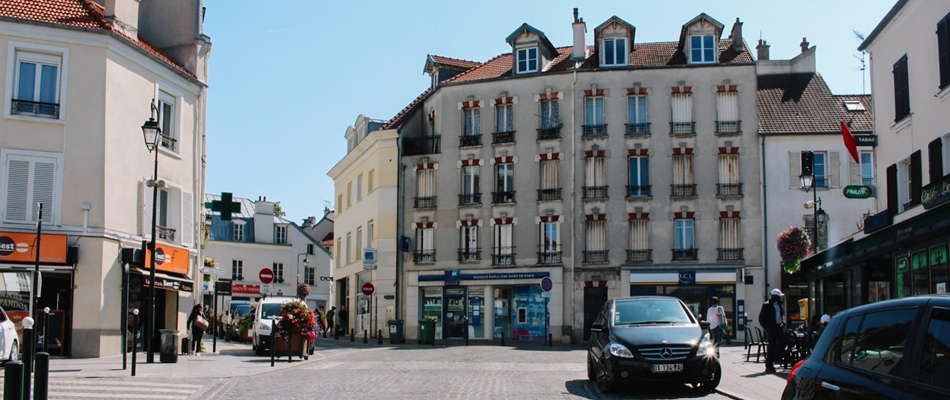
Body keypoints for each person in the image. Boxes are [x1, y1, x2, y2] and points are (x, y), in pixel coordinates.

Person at [759, 289, 786, 373]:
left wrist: (782, 322)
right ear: (774, 296)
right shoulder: (767, 305)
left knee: (782, 344)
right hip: (771, 328)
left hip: (779, 327)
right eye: (778, 297)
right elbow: (761, 318)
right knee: (772, 346)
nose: (780, 298)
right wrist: (767, 327)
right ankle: (769, 364)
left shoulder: (779, 305)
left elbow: (781, 315)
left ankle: (775, 358)